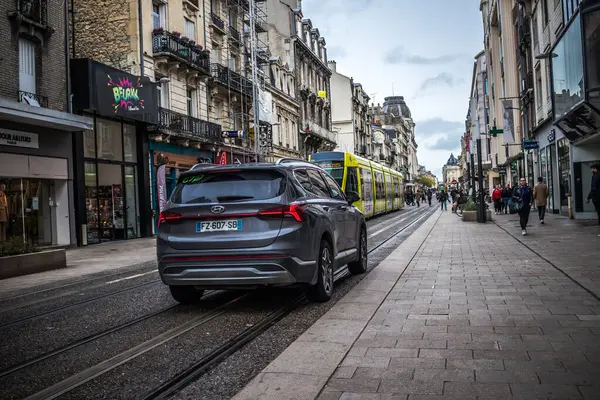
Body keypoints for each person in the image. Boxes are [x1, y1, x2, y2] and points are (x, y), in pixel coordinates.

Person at [586, 163, 600, 236]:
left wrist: (588, 197)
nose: (591, 170)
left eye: (592, 169)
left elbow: (593, 189)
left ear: (595, 169)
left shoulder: (596, 176)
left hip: (597, 198)